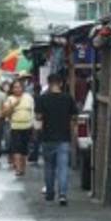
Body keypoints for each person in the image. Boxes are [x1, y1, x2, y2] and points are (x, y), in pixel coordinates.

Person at [36, 73, 79, 205]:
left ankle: (50, 193)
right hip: (64, 138)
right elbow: (74, 118)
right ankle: (62, 194)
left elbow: (38, 117)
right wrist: (74, 134)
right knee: (63, 167)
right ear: (61, 83)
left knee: (49, 167)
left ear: (49, 84)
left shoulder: (42, 99)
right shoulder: (68, 98)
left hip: (47, 137)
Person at [0, 79, 34, 177]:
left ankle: (22, 167)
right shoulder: (10, 99)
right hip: (15, 127)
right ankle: (18, 169)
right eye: (15, 87)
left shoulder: (28, 97)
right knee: (16, 148)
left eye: (19, 87)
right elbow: (4, 113)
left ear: (22, 88)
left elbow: (32, 111)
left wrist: (34, 124)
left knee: (24, 149)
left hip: (27, 126)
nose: (17, 89)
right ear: (12, 89)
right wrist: (13, 105)